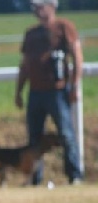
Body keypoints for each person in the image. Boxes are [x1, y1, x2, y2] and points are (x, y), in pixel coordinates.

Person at [15, 0, 83, 185]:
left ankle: (74, 174)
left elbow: (77, 56)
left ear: (52, 7)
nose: (37, 11)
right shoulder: (31, 34)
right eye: (35, 8)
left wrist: (74, 85)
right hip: (35, 92)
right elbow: (25, 64)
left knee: (66, 134)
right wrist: (19, 90)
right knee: (34, 138)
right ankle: (35, 177)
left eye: (40, 6)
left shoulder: (64, 28)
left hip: (57, 91)